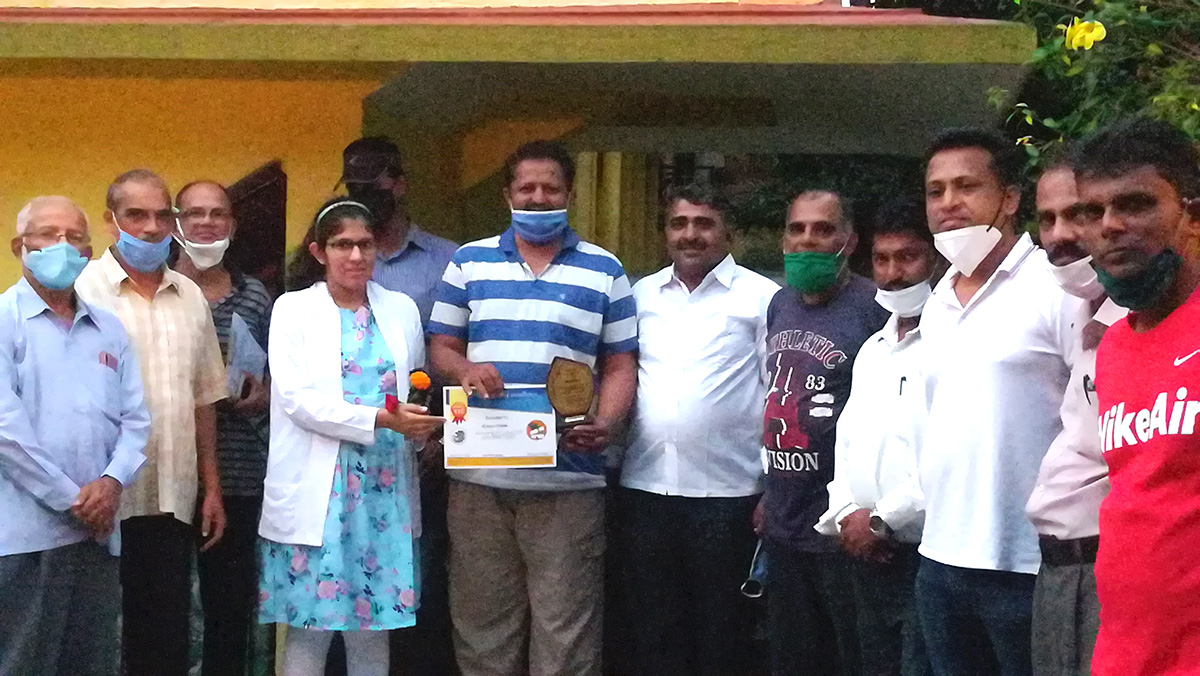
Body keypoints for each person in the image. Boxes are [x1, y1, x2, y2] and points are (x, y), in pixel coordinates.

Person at [428, 140, 638, 676]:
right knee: (481, 633)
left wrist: (608, 423)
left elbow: (619, 364)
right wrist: (464, 370)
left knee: (565, 634)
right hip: (479, 482)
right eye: (528, 188)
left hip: (568, 483)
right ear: (508, 194)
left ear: (569, 194)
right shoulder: (467, 261)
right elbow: (441, 347)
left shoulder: (605, 270)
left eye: (551, 189)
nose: (539, 198)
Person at [916, 129, 1084, 676]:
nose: (948, 204)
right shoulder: (937, 300)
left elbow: (1094, 417)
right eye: (935, 190)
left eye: (967, 186)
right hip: (938, 559)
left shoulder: (1057, 287)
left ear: (1010, 199)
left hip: (1027, 564)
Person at [258, 198, 444, 676]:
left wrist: (419, 428)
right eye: (343, 244)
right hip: (319, 491)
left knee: (372, 631)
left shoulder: (400, 309)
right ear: (319, 252)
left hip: (384, 491)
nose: (356, 256)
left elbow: (414, 387)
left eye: (364, 244)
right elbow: (296, 400)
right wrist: (383, 421)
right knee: (309, 629)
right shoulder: (292, 309)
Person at [620, 183, 779, 676]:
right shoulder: (639, 294)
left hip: (728, 497)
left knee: (722, 632)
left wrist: (773, 487)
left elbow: (778, 394)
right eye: (679, 224)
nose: (691, 235)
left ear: (727, 231)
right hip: (646, 489)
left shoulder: (763, 298)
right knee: (653, 628)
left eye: (703, 224)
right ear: (665, 232)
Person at [74, 169, 229, 676]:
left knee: (165, 632)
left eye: (163, 215)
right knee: (95, 633)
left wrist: (211, 488)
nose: (150, 227)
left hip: (171, 493)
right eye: (136, 215)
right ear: (110, 220)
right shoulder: (80, 290)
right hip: (98, 496)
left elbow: (203, 399)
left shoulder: (190, 297)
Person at [0, 196, 151, 675]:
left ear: (89, 252)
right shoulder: (4, 322)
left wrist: (110, 485)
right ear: (18, 247)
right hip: (26, 535)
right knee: (25, 662)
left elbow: (136, 420)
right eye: (47, 234)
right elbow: (7, 433)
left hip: (98, 535)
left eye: (74, 237)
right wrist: (74, 501)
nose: (61, 245)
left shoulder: (108, 329)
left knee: (90, 662)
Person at [1073, 117, 1200, 676]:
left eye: (1136, 204)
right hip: (1125, 654)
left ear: (1191, 213)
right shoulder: (1115, 345)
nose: (1110, 225)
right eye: (1092, 211)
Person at [338, 137, 460, 676]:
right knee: (343, 587)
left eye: (379, 177)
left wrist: (445, 439)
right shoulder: (328, 259)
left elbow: (463, 354)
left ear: (401, 182)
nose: (369, 188)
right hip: (345, 449)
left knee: (419, 582)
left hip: (424, 446)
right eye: (356, 180)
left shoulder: (448, 260)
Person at [760, 189, 890, 676]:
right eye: (797, 229)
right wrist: (767, 492)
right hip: (783, 521)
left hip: (842, 527)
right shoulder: (779, 304)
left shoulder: (875, 306)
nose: (808, 240)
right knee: (791, 659)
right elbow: (777, 393)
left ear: (849, 241)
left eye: (823, 229)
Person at [815, 196, 937, 676]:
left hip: (922, 555)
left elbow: (947, 455)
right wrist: (847, 512)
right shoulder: (873, 348)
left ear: (935, 259)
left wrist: (883, 520)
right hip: (863, 554)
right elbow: (846, 444)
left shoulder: (951, 343)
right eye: (882, 260)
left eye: (907, 257)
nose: (893, 273)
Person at [1024, 160, 1125, 676]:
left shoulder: (1150, 322)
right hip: (1060, 572)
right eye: (1047, 219)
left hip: (1111, 569)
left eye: (1077, 214)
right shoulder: (1074, 307)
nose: (1061, 235)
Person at [172, 180, 273, 676]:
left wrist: (265, 393)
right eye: (194, 213)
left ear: (232, 225)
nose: (205, 223)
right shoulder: (155, 290)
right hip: (167, 472)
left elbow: (283, 376)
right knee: (162, 607)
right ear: (176, 223)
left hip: (238, 472)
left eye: (217, 213)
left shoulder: (256, 296)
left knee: (228, 606)